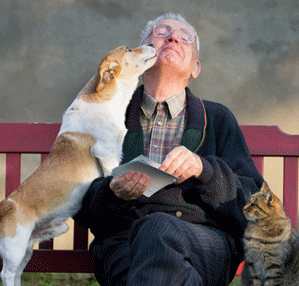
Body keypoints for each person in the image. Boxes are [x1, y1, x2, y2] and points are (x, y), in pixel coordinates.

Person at [72, 13, 265, 286]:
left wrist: (205, 170)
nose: (173, 37)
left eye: (184, 38)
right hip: (124, 244)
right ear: (143, 56)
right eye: (162, 32)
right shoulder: (107, 118)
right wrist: (111, 192)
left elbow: (253, 206)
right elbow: (77, 200)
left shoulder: (219, 119)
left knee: (157, 229)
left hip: (204, 244)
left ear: (195, 68)